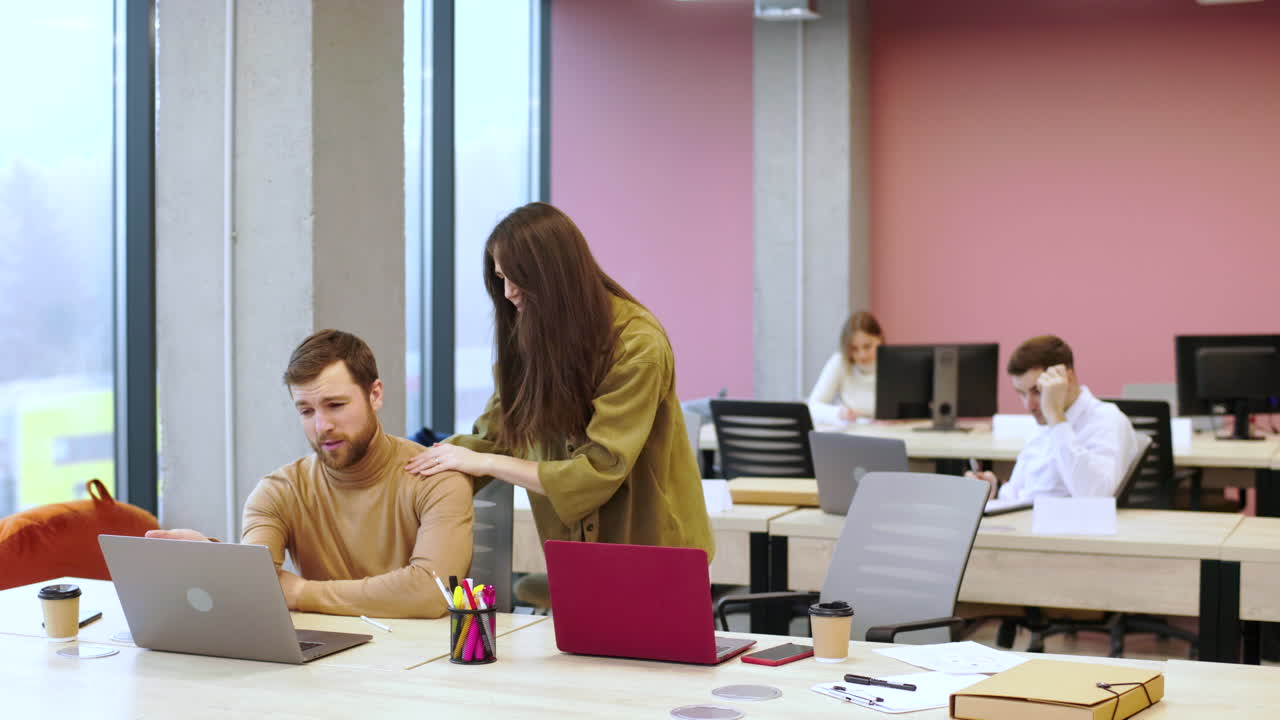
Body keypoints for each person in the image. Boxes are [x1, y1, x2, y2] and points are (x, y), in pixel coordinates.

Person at [404, 202, 713, 564]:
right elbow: (493, 437)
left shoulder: (637, 344)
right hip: (575, 553)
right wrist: (404, 470)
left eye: (516, 277)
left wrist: (486, 463)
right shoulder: (532, 339)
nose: (508, 293)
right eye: (501, 278)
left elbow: (598, 469)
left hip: (654, 553)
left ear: (553, 275)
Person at [147, 330, 473, 618]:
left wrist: (301, 592)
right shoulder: (278, 491)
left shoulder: (437, 478)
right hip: (322, 668)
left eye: (335, 405)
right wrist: (212, 560)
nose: (322, 426)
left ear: (375, 394)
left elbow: (431, 593)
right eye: (306, 411)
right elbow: (259, 585)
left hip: (421, 668)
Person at [967, 335, 1140, 505]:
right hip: (1027, 524)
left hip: (1068, 529)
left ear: (1068, 379)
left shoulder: (1106, 419)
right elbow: (1025, 492)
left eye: (1037, 391)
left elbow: (1095, 497)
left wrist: (1056, 416)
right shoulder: (1042, 426)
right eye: (1021, 393)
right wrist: (995, 491)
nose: (1029, 405)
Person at [807, 311, 884, 425]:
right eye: (854, 349)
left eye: (867, 346)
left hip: (891, 433)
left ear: (880, 339)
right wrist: (838, 413)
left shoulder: (896, 364)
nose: (862, 355)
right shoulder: (840, 362)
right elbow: (812, 407)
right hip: (853, 432)